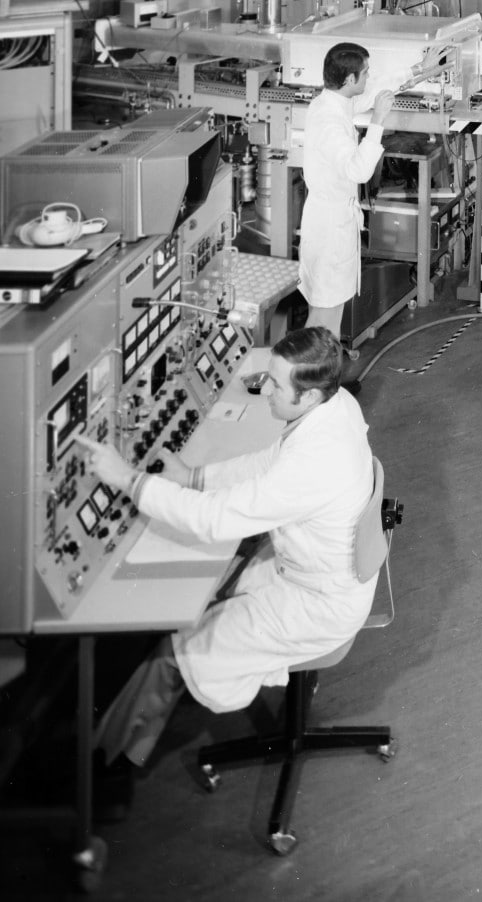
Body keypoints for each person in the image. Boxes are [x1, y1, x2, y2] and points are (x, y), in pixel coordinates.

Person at [75, 327, 379, 785]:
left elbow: (216, 521)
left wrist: (129, 481)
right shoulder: (337, 406)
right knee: (205, 597)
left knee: (174, 653)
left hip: (316, 604)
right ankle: (113, 748)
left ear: (311, 395)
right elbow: (268, 465)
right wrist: (194, 477)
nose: (266, 391)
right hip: (318, 571)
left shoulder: (316, 462)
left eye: (276, 386)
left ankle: (101, 773)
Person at [300, 42, 394, 337]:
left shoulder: (331, 101)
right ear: (350, 79)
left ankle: (324, 379)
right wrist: (378, 122)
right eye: (365, 73)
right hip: (330, 228)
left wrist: (417, 70)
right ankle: (309, 379)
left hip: (333, 221)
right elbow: (358, 170)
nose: (369, 78)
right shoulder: (329, 122)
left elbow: (370, 95)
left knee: (331, 310)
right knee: (323, 316)